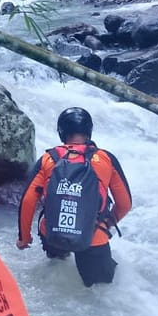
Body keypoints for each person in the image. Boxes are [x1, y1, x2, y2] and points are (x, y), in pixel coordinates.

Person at [16, 106, 132, 287]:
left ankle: (59, 255)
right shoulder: (105, 159)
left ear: (61, 132)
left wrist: (24, 237)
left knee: (56, 269)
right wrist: (106, 224)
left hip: (53, 233)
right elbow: (124, 204)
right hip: (94, 236)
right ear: (89, 131)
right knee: (101, 292)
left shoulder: (49, 158)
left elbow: (28, 201)